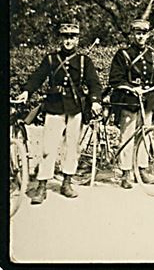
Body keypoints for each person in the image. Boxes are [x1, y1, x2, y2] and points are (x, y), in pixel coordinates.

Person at [14, 23, 103, 204]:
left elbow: (94, 83)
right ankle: (42, 186)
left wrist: (95, 101)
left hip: (75, 108)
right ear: (60, 39)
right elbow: (38, 77)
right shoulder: (51, 59)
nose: (68, 41)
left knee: (72, 147)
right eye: (65, 37)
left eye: (72, 37)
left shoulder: (84, 61)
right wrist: (27, 91)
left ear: (77, 39)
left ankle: (67, 182)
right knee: (48, 147)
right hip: (54, 106)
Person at [108, 18, 154, 189]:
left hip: (147, 99)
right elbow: (115, 80)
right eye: (137, 33)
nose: (140, 37)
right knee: (127, 135)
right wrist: (131, 88)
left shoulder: (152, 54)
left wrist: (152, 92)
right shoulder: (123, 54)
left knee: (146, 133)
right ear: (132, 34)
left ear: (148, 35)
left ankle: (142, 168)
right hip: (129, 100)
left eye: (144, 33)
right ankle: (125, 172)